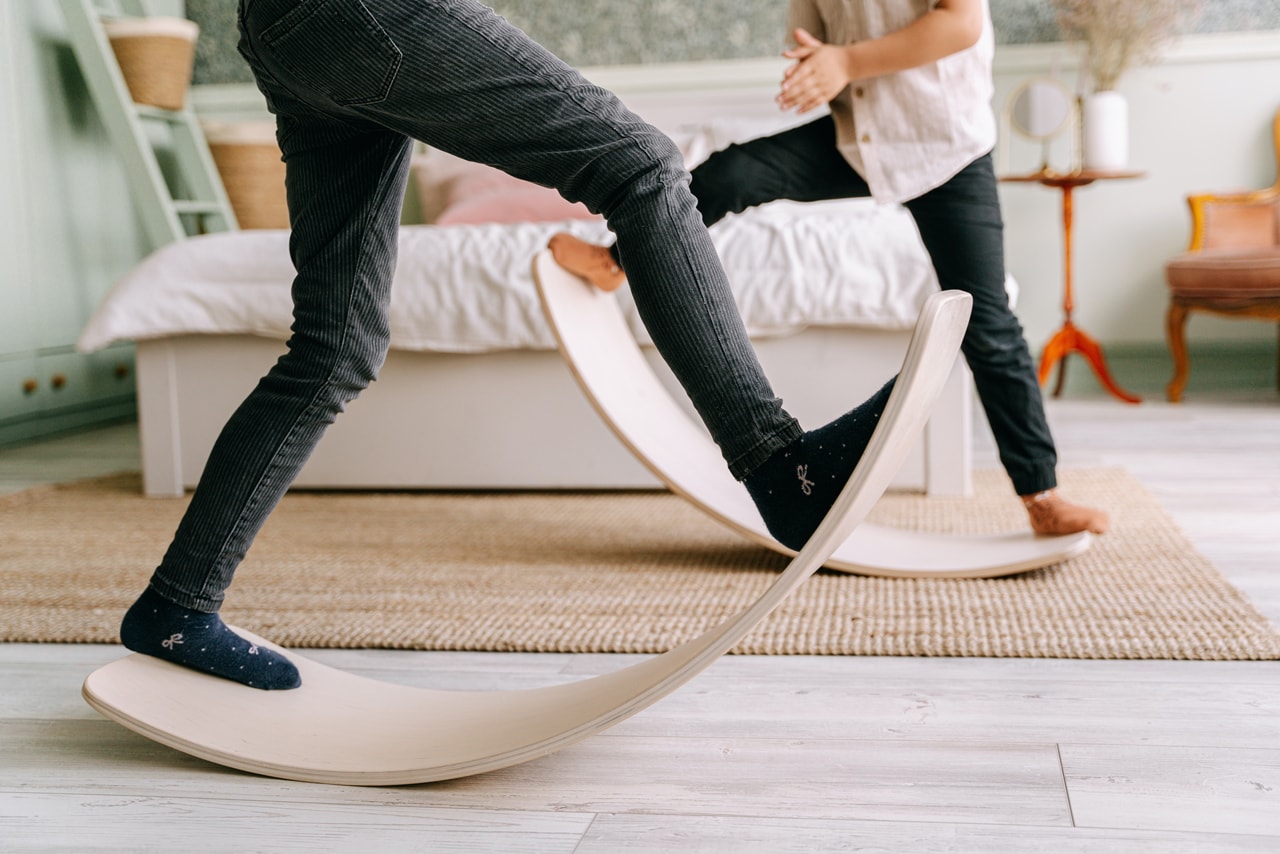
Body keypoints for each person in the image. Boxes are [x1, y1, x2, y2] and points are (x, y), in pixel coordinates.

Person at [117, 0, 902, 690]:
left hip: (284, 25)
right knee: (643, 167)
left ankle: (178, 605)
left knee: (334, 343)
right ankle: (780, 467)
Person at [550, 0, 1109, 541]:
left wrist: (844, 62)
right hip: (860, 139)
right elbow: (815, 40)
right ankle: (615, 261)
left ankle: (1043, 498)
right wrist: (816, 66)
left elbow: (961, 23)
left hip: (947, 148)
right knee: (732, 173)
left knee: (988, 323)